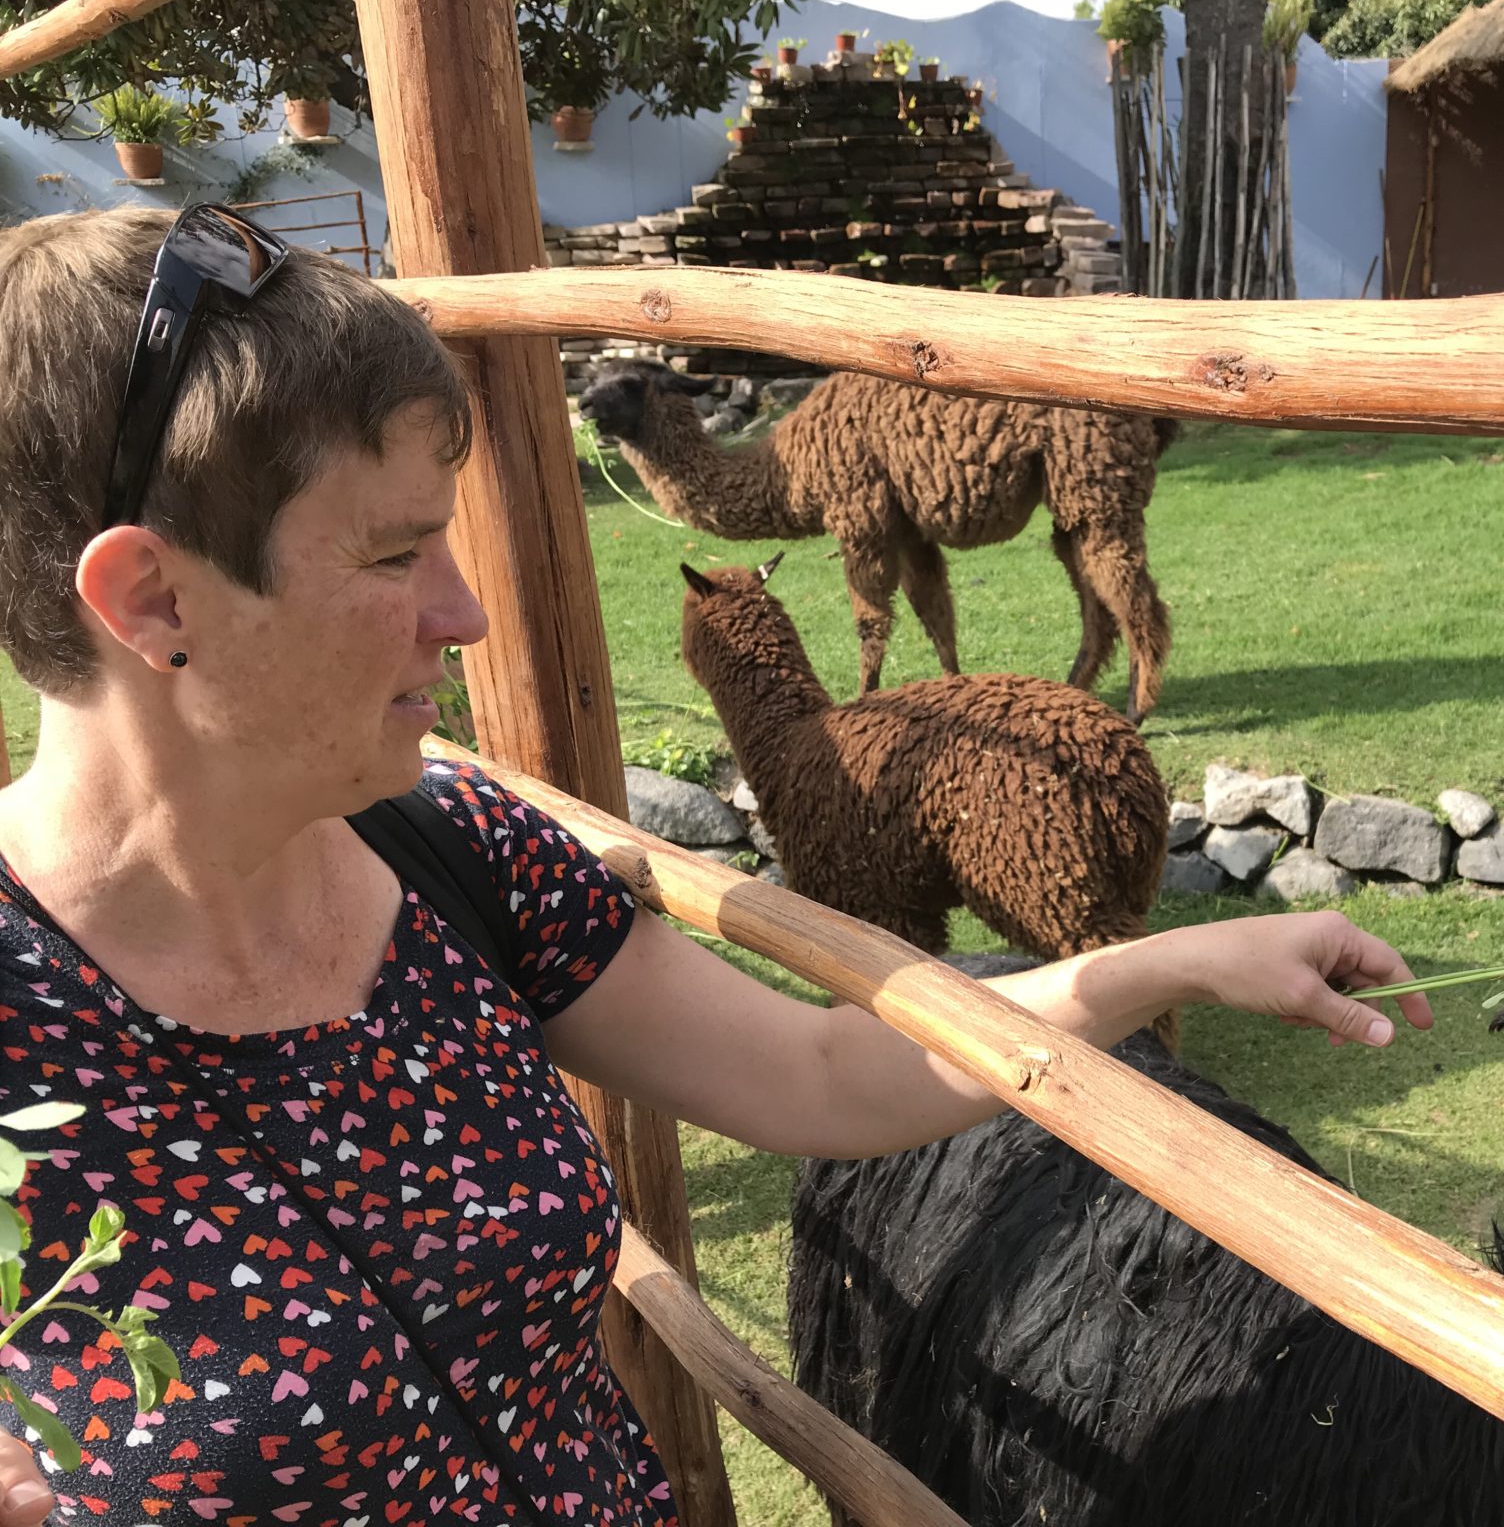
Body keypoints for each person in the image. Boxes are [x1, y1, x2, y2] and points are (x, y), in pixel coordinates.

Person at [0, 206, 1431, 1527]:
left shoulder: (459, 858)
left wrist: (1174, 960)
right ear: (151, 597)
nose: (468, 612)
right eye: (393, 558)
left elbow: (819, 1075)